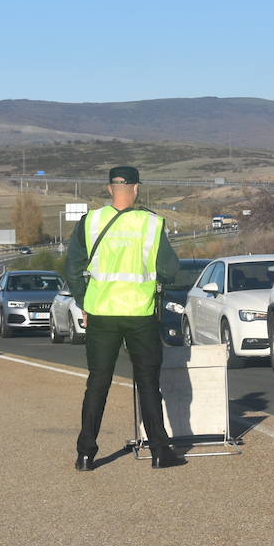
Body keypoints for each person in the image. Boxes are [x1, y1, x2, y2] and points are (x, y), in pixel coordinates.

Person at [65, 166, 185, 470]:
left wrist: (84, 302)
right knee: (147, 383)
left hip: (101, 313)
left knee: (98, 383)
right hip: (139, 313)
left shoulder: (89, 222)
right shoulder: (151, 224)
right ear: (136, 189)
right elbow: (170, 269)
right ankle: (159, 451)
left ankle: (85, 454)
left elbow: (73, 267)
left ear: (109, 189)